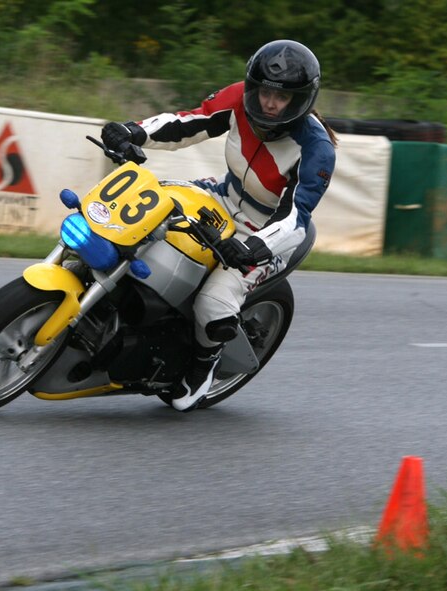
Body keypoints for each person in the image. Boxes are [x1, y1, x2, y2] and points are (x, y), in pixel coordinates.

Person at [100, 39, 338, 412]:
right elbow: (188, 123)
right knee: (141, 215)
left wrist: (253, 249)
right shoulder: (241, 99)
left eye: (282, 97)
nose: (269, 103)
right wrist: (134, 132)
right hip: (221, 198)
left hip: (265, 234)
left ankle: (203, 364)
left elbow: (296, 216)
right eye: (264, 92)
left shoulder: (316, 149)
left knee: (213, 304)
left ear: (302, 100)